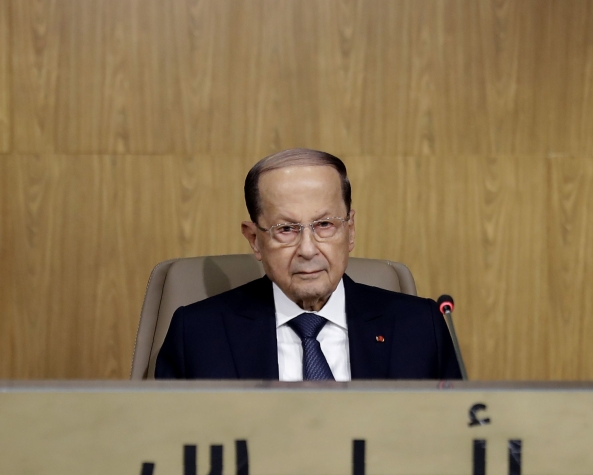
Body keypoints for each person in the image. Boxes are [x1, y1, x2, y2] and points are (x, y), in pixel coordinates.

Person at [154, 148, 462, 380]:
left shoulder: (419, 328)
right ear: (254, 240)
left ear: (350, 231)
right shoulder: (198, 335)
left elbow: (457, 447)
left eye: (325, 224)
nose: (307, 249)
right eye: (286, 229)